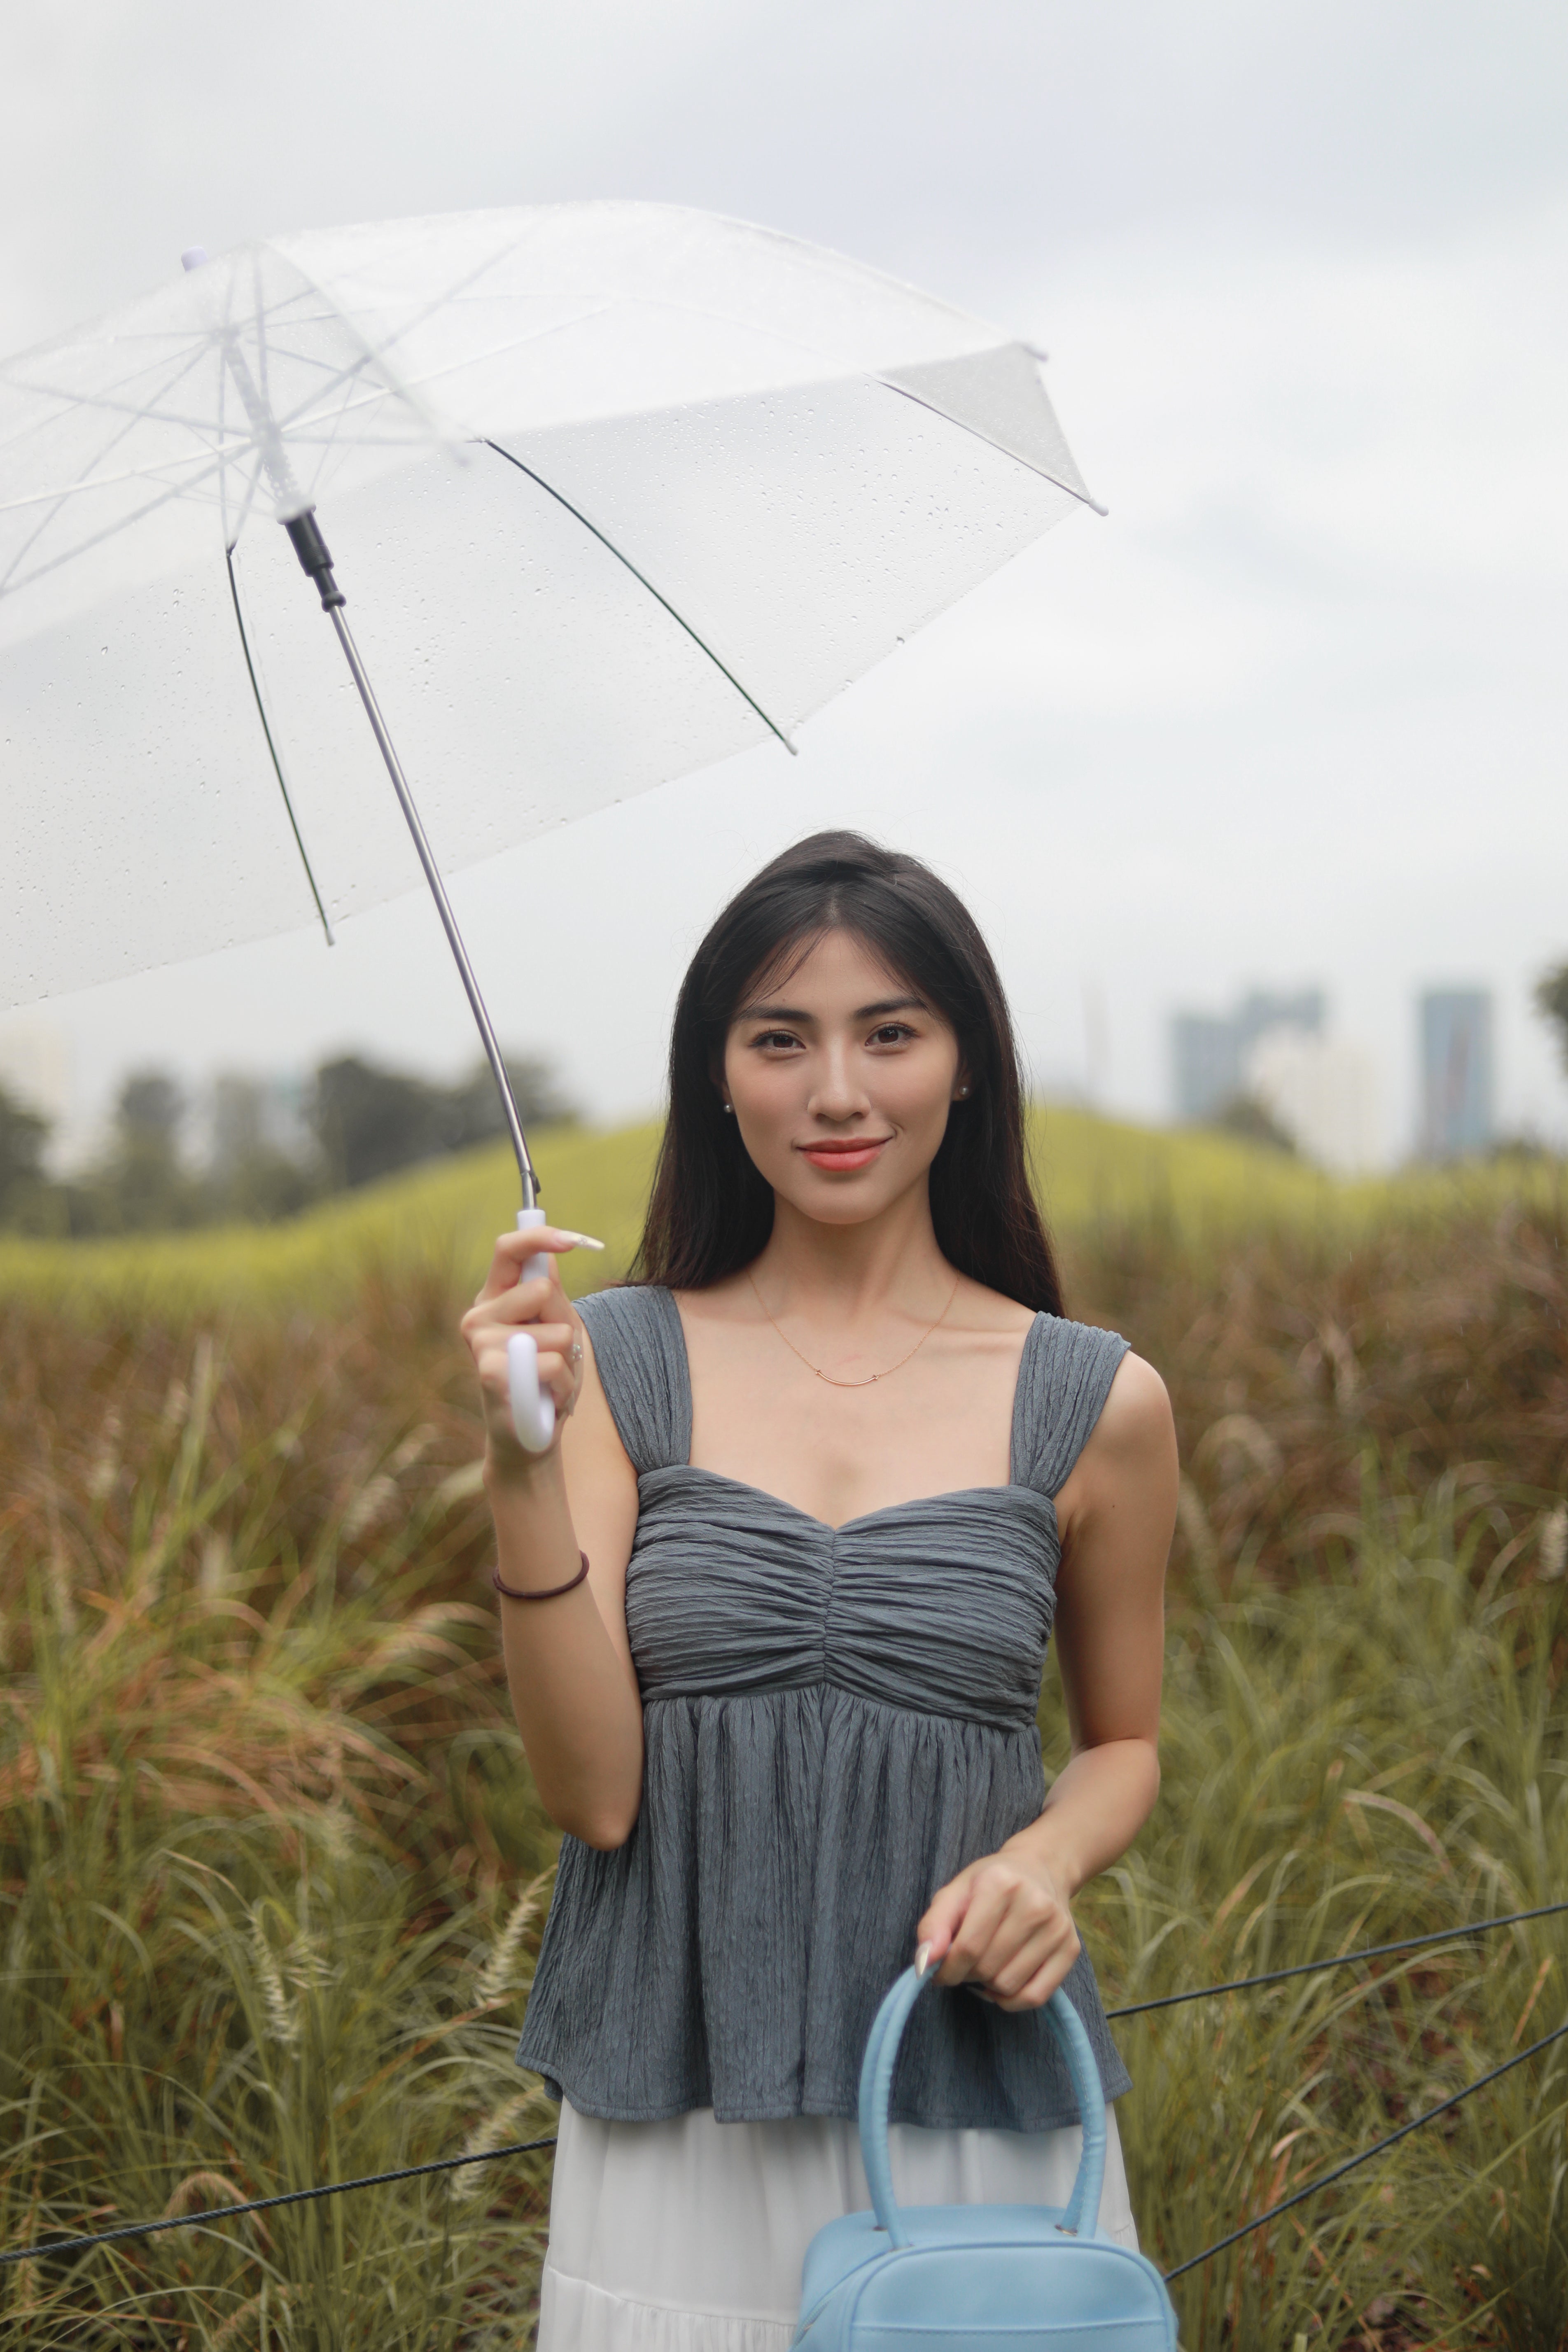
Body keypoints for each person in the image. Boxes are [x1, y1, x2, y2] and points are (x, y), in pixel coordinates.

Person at [460, 832, 1178, 2352]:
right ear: (717, 1075)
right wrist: (523, 1465)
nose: (837, 1092)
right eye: (780, 1039)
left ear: (967, 1065)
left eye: (890, 1034)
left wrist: (1044, 1866)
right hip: (681, 2104)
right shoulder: (614, 1366)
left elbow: (1125, 1747)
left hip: (968, 2090)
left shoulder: (1097, 1399)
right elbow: (592, 1797)